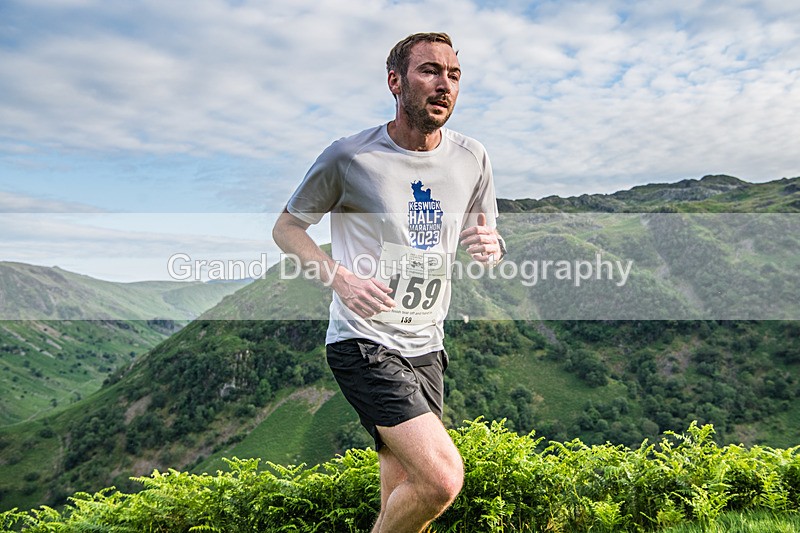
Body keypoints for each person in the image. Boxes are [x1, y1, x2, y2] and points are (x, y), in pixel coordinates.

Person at [273, 32, 505, 533]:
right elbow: (287, 229)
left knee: (405, 491)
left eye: (454, 74)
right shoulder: (349, 157)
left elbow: (487, 234)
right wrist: (340, 279)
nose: (444, 84)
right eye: (430, 71)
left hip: (427, 344)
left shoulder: (473, 157)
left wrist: (493, 247)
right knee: (441, 480)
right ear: (395, 81)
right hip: (364, 340)